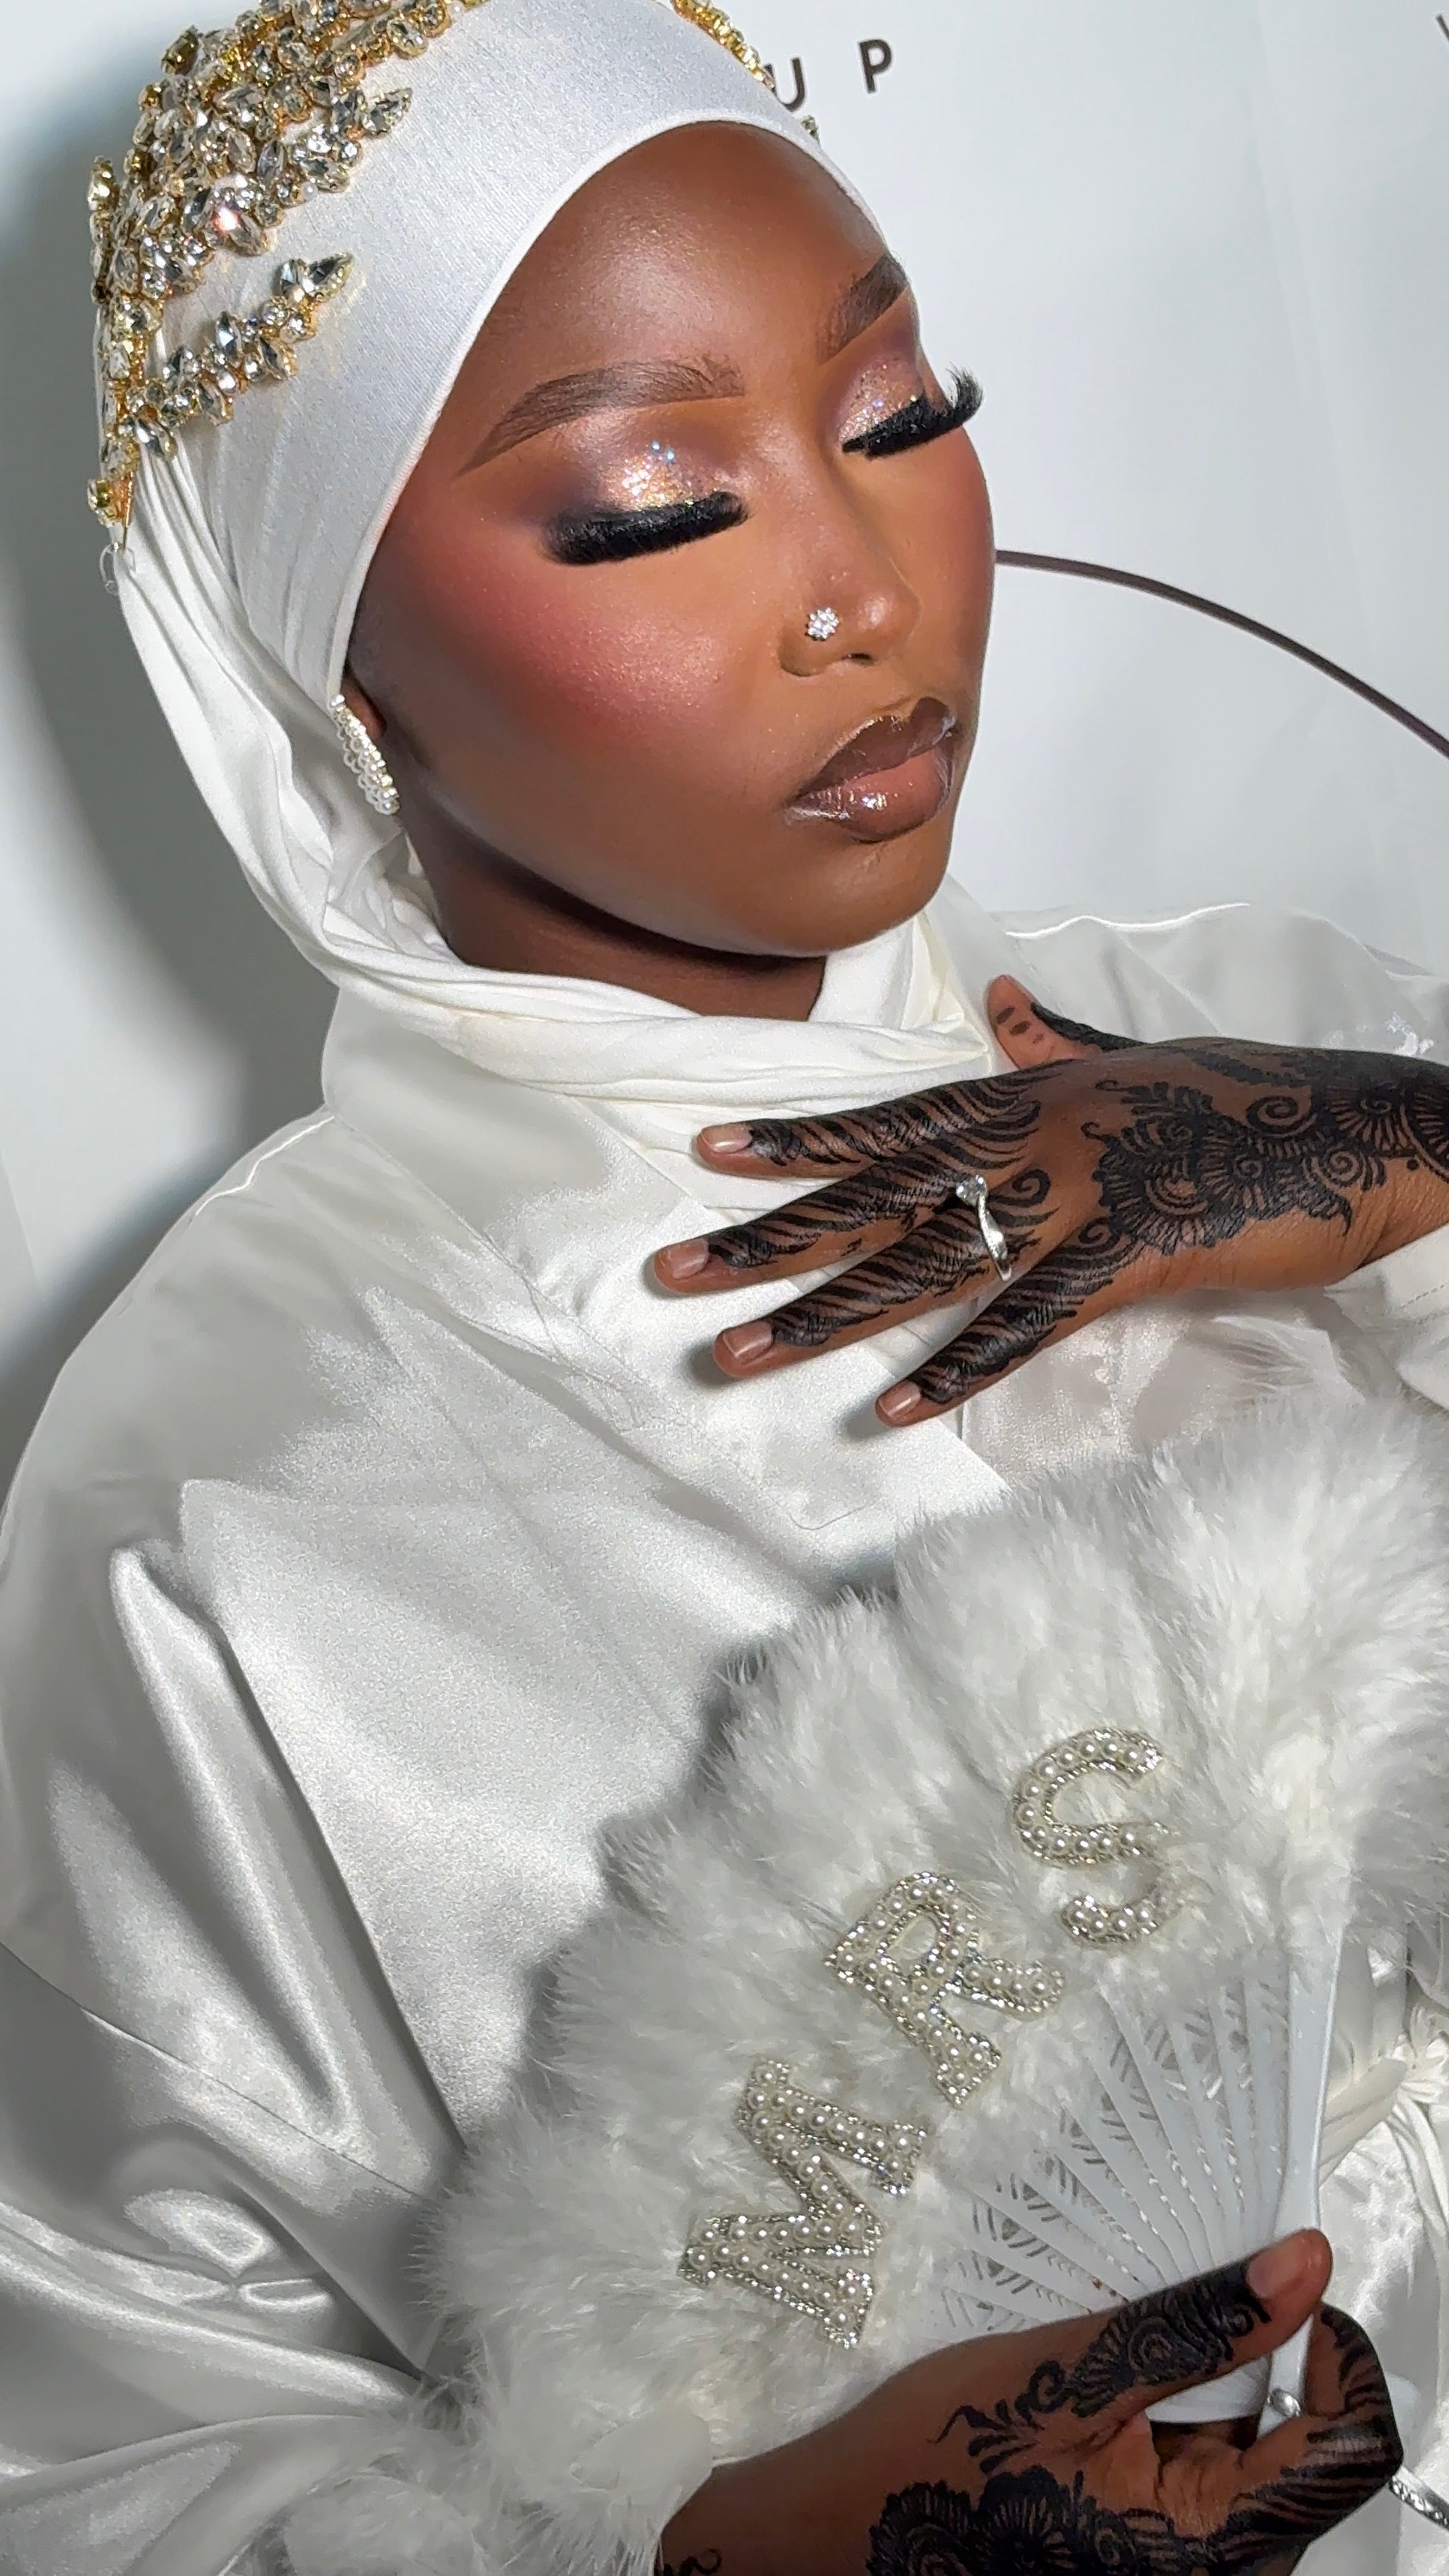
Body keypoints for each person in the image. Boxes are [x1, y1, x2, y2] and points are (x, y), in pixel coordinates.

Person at [0, 0, 1443, 2561]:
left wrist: (1427, 1161)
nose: (860, 590)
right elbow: (113, 2456)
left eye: (902, 412)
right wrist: (712, 2559)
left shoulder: (1283, 1035)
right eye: (658, 507)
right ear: (330, 671)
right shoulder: (212, 1504)